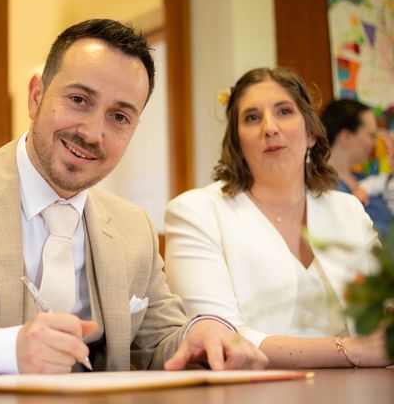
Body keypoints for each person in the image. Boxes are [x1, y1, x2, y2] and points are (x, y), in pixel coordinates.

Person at [0, 19, 267, 381]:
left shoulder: (132, 225)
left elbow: (160, 342)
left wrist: (202, 332)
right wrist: (1, 352)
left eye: (119, 117)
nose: (93, 133)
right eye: (78, 100)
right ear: (37, 95)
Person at [165, 67, 393, 368]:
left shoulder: (347, 209)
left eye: (284, 111)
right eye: (252, 117)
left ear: (311, 133)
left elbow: (383, 305)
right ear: (237, 141)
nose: (269, 128)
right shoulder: (196, 212)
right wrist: (351, 350)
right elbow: (223, 337)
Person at [321, 99, 393, 239]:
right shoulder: (322, 187)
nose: (375, 143)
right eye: (371, 135)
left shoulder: (369, 179)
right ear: (346, 137)